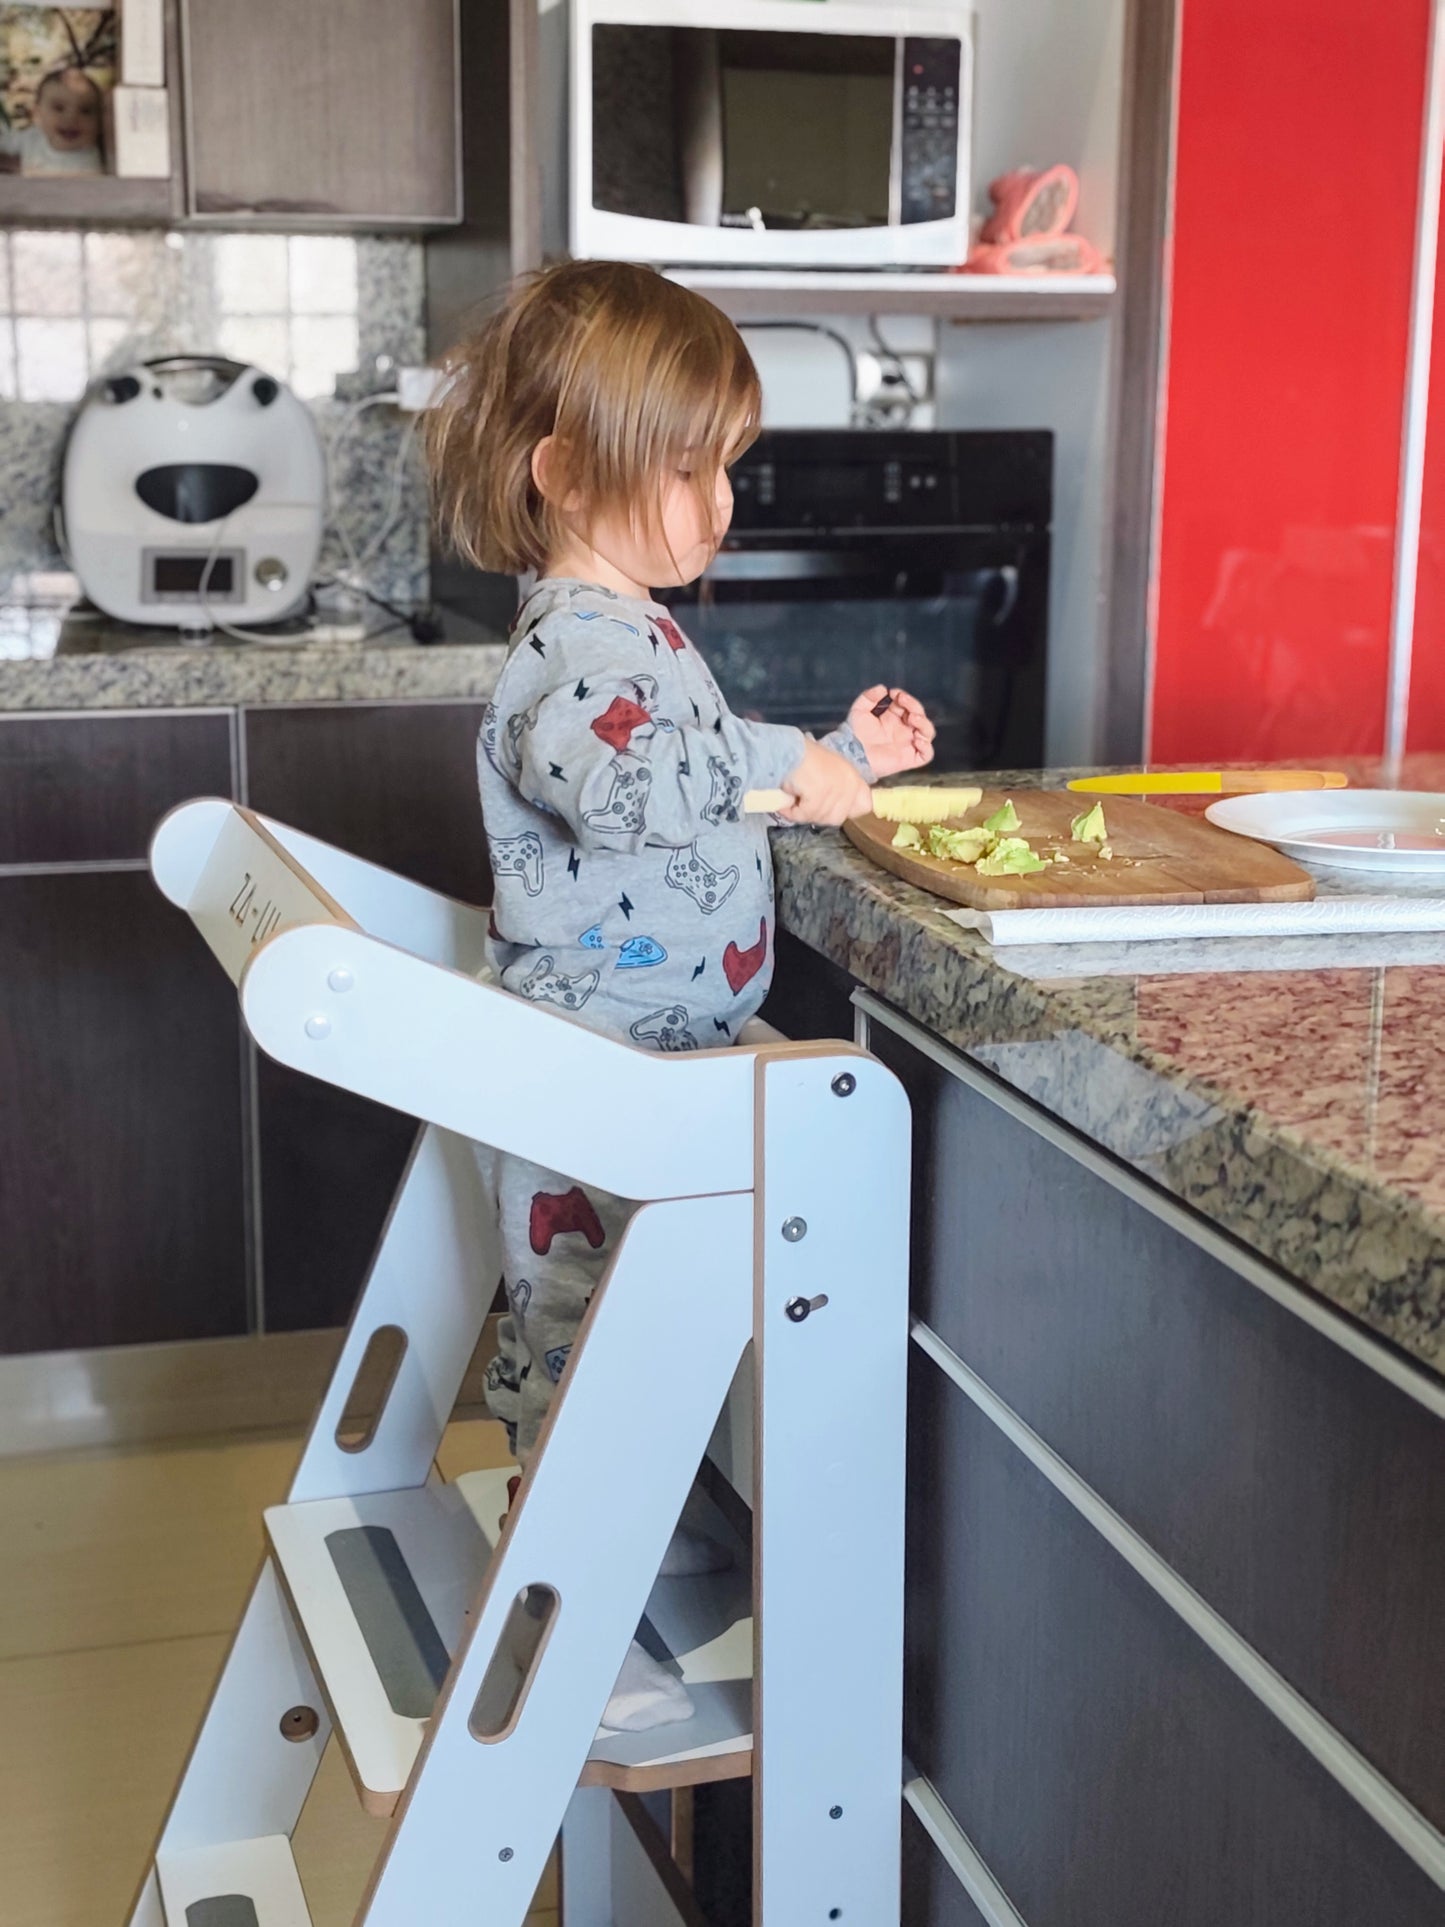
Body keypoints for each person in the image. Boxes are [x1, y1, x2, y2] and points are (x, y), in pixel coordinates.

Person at [426, 258, 935, 1732]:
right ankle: (547, 1603)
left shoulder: (617, 628)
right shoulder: (573, 644)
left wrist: (832, 750)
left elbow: (687, 773)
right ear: (564, 469)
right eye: (689, 465)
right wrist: (793, 764)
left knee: (609, 1343)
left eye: (729, 466)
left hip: (645, 1064)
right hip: (600, 1081)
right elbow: (634, 778)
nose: (719, 501)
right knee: (581, 1350)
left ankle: (596, 1568)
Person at [0, 66, 105, 176]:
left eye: (85, 111)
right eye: (59, 108)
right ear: (37, 114)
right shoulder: (31, 137)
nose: (71, 118)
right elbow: (4, 143)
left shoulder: (89, 162)